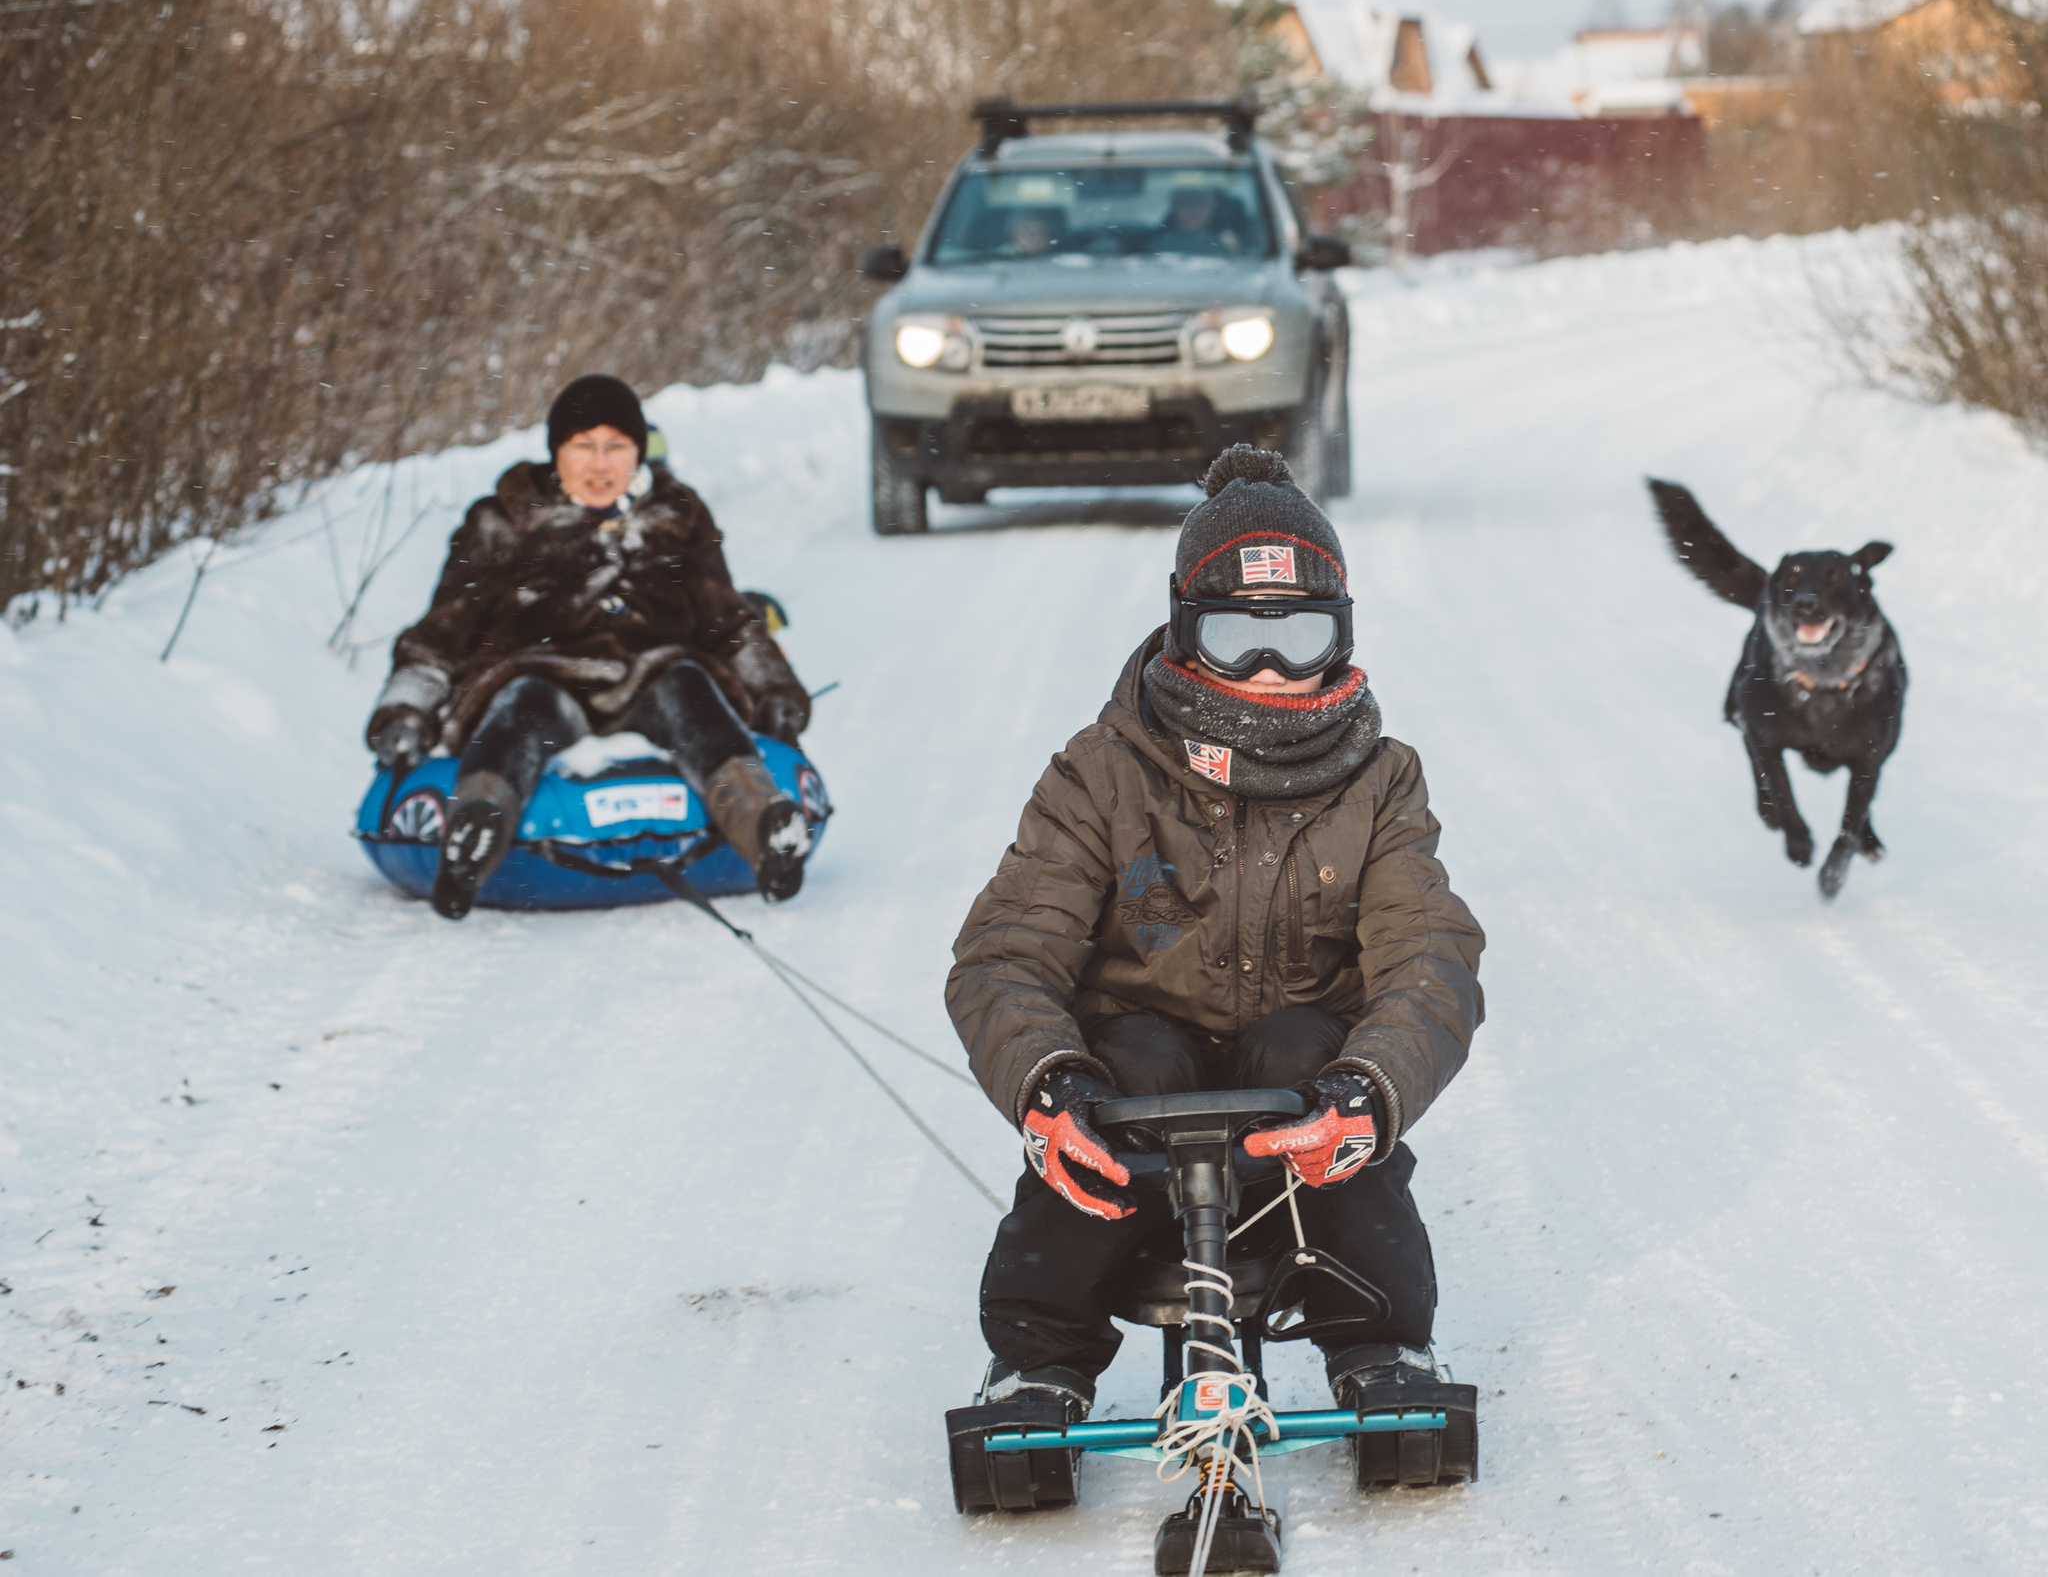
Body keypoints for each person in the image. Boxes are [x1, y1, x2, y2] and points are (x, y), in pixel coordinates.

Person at [946, 444, 1486, 1424]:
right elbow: (1007, 948)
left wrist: (1370, 1088)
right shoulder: (1101, 770)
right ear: (1188, 633)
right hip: (1139, 1093)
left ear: (1343, 634)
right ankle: (1038, 1359)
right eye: (1240, 636)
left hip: (1298, 1094)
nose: (1273, 669)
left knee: (1298, 1048)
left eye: (1302, 636)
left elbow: (1430, 951)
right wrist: (1045, 1084)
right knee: (1137, 1066)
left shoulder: (1382, 778)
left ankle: (1380, 1339)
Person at [366, 374, 814, 920]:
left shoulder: (679, 517)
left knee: (692, 693)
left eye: (616, 447)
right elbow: (442, 631)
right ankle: (474, 833)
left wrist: (774, 689)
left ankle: (766, 830)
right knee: (521, 710)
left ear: (638, 452)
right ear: (557, 452)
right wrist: (406, 708)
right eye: (584, 447)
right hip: (544, 676)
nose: (600, 465)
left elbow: (729, 620)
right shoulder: (501, 521)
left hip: (653, 674)